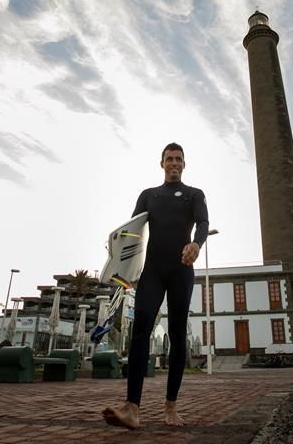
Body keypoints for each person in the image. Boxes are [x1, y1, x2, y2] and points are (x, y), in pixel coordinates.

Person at [103, 143, 209, 429]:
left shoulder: (193, 195)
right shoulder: (148, 196)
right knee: (140, 329)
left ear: (184, 164)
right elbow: (132, 233)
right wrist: (125, 269)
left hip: (181, 270)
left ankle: (170, 406)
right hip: (151, 272)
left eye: (178, 159)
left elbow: (202, 223)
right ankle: (132, 409)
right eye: (169, 159)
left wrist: (196, 245)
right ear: (161, 163)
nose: (174, 163)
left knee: (176, 333)